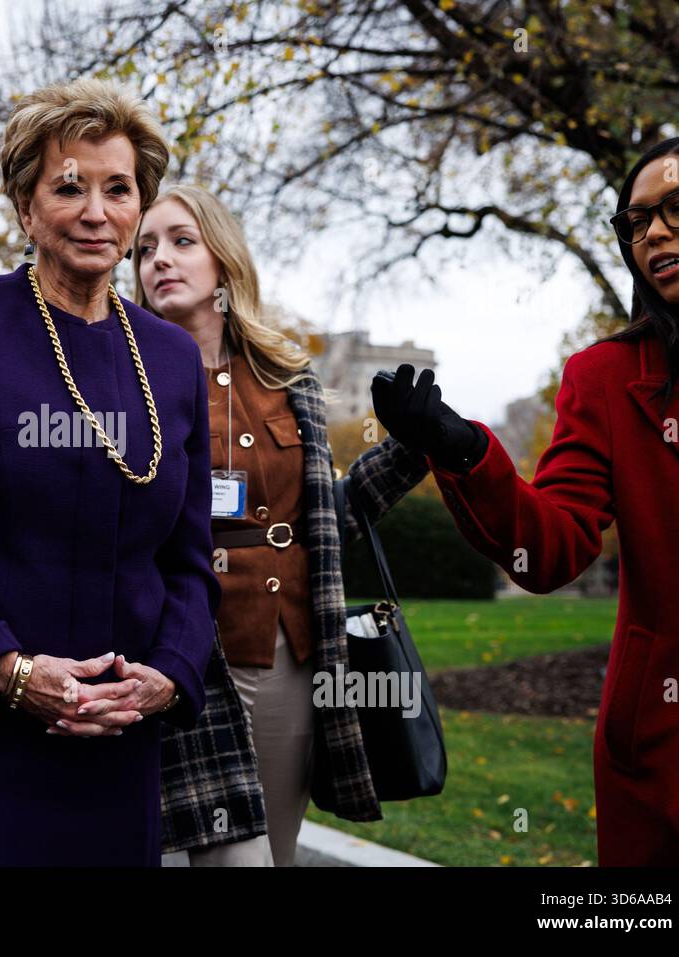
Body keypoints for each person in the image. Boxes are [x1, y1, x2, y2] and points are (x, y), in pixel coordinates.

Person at [0, 77, 220, 866]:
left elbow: (191, 562)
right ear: (26, 208)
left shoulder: (170, 356)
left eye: (118, 188)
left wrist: (167, 674)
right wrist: (10, 668)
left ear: (139, 207)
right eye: (69, 187)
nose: (96, 211)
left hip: (117, 728)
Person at [371, 133, 679, 866]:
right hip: (675, 751)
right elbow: (552, 543)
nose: (652, 231)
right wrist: (463, 448)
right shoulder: (606, 378)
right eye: (635, 221)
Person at [134, 185, 430, 865]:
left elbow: (327, 522)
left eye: (181, 240)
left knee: (279, 854)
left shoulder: (287, 377)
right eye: (144, 248)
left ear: (224, 258)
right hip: (185, 652)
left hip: (292, 652)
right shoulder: (130, 378)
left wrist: (411, 447)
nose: (158, 260)